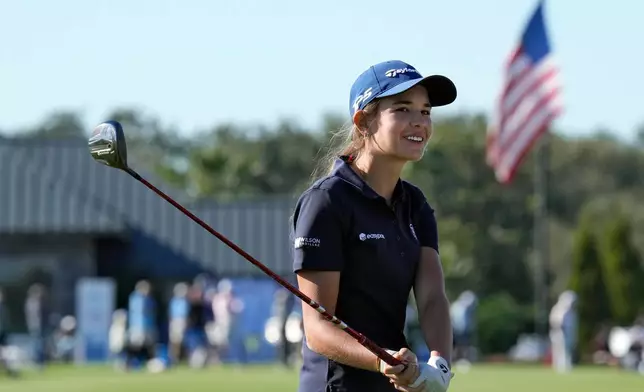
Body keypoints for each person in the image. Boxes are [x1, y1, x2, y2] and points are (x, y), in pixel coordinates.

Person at [291, 60, 457, 392]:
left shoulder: (416, 205)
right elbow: (318, 327)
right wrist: (381, 360)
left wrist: (440, 365)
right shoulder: (326, 202)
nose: (419, 122)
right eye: (402, 109)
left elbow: (432, 298)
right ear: (364, 120)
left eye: (425, 112)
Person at [549, 290, 578, 373]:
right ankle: (559, 367)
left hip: (568, 333)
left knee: (568, 350)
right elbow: (554, 321)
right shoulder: (557, 309)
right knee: (559, 350)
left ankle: (567, 366)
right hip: (559, 332)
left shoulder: (572, 312)